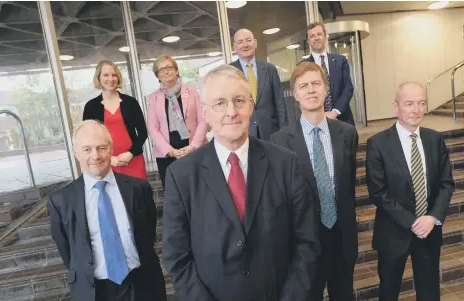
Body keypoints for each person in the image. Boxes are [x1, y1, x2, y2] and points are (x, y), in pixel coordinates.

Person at [162, 64, 320, 301]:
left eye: (238, 100)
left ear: (251, 105)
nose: (231, 112)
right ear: (205, 112)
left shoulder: (286, 163)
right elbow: (176, 257)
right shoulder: (182, 175)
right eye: (219, 103)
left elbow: (307, 243)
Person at [47, 120, 166, 301]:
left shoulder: (138, 189)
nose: (95, 156)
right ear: (76, 153)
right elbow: (69, 253)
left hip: (142, 285)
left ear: (111, 149)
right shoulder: (61, 201)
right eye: (87, 149)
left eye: (101, 148)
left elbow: (148, 235)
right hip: (95, 292)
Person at [271, 62, 358, 301]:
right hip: (304, 244)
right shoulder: (279, 141)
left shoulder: (347, 133)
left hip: (341, 238)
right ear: (296, 94)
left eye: (316, 83)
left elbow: (349, 185)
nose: (311, 90)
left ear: (326, 89)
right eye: (304, 85)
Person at [365, 82, 454, 301]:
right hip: (394, 232)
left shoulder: (435, 139)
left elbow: (446, 183)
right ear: (396, 107)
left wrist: (432, 217)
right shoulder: (378, 144)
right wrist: (414, 222)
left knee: (429, 290)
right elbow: (378, 192)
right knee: (389, 290)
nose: (416, 109)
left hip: (429, 231)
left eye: (421, 103)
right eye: (409, 103)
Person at [146, 54, 208, 188]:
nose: (166, 71)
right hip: (167, 154)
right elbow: (152, 128)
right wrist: (170, 151)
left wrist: (194, 146)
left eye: (169, 67)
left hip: (194, 148)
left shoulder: (192, 92)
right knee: (174, 192)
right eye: (161, 69)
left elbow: (203, 120)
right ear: (158, 76)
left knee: (200, 189)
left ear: (176, 70)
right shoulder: (153, 98)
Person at [83, 60, 147, 179]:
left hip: (133, 160)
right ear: (98, 78)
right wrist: (109, 159)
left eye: (114, 75)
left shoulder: (131, 102)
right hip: (105, 163)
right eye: (106, 75)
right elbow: (87, 139)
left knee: (139, 195)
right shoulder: (91, 107)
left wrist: (130, 153)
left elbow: (143, 133)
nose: (111, 79)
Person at [230, 28, 287, 140]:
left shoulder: (270, 69)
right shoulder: (229, 72)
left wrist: (283, 132)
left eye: (248, 40)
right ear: (234, 47)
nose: (245, 45)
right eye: (240, 42)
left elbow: (280, 103)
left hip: (271, 132)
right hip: (243, 133)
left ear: (255, 43)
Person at [304, 22, 355, 125]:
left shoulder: (341, 61)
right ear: (308, 41)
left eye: (319, 34)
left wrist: (334, 112)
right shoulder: (304, 66)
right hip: (316, 121)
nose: (316, 38)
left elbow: (348, 88)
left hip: (343, 118)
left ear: (325, 36)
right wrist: (321, 114)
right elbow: (304, 95)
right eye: (312, 36)